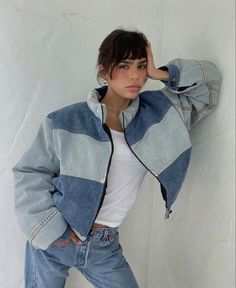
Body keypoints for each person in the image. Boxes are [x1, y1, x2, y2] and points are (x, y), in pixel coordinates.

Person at [12, 28, 222, 288]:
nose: (135, 75)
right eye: (124, 65)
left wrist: (159, 73)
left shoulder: (160, 114)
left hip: (104, 246)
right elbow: (29, 173)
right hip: (55, 238)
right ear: (103, 71)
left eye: (141, 65)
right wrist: (51, 230)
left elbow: (210, 84)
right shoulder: (64, 121)